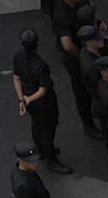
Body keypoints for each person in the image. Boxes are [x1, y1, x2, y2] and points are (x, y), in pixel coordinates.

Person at [11, 28, 68, 171]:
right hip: (44, 103)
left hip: (29, 99)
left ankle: (41, 150)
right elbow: (43, 90)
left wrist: (22, 100)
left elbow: (16, 78)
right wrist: (29, 99)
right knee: (48, 129)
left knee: (36, 124)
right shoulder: (40, 65)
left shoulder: (18, 56)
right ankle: (52, 161)